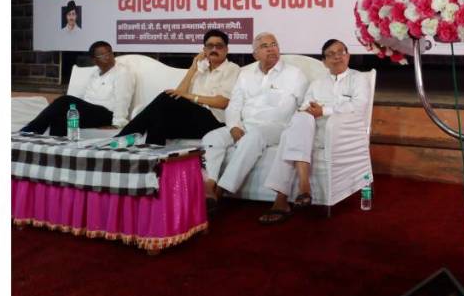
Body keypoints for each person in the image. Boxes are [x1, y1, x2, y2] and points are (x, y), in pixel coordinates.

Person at [258, 39, 370, 224]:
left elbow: (359, 107)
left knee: (289, 135)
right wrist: (309, 111)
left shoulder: (358, 79)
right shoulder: (317, 83)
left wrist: (324, 110)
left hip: (342, 131)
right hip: (311, 130)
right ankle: (304, 188)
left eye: (341, 52)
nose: (337, 57)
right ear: (324, 62)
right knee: (300, 120)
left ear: (348, 55)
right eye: (331, 55)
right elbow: (304, 106)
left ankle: (281, 199)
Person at [202, 33, 308, 208]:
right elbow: (234, 105)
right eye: (265, 46)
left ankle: (222, 190)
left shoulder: (294, 74)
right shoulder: (245, 74)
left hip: (276, 127)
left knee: (254, 136)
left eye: (274, 44)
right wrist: (235, 126)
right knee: (212, 137)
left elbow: (303, 107)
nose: (271, 48)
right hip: (246, 124)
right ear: (255, 54)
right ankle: (210, 184)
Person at [116, 29, 240, 161]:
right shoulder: (200, 70)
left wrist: (193, 97)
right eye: (210, 46)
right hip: (193, 121)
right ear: (204, 50)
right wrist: (193, 69)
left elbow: (222, 102)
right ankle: (153, 162)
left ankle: (121, 138)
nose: (214, 49)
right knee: (158, 118)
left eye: (219, 46)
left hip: (215, 122)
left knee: (165, 98)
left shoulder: (231, 69)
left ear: (226, 50)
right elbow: (177, 95)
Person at [20, 41, 134, 136]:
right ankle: (58, 149)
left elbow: (123, 99)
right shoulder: (95, 74)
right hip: (90, 112)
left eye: (109, 53)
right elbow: (87, 97)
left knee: (64, 100)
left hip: (107, 114)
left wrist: (118, 123)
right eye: (103, 55)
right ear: (94, 60)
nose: (108, 57)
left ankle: (30, 131)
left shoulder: (122, 72)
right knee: (60, 117)